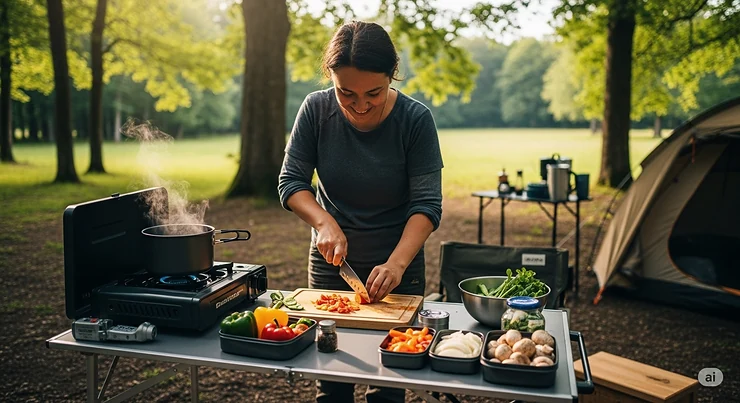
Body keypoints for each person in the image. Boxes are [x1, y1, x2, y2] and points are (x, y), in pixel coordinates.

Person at [277, 20, 443, 403]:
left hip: (398, 262)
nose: (361, 105)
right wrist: (324, 223)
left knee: (389, 383)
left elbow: (427, 204)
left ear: (392, 77)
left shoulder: (416, 120)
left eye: (374, 92)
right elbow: (291, 182)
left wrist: (398, 264)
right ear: (330, 78)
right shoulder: (316, 110)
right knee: (333, 379)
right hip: (332, 264)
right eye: (345, 93)